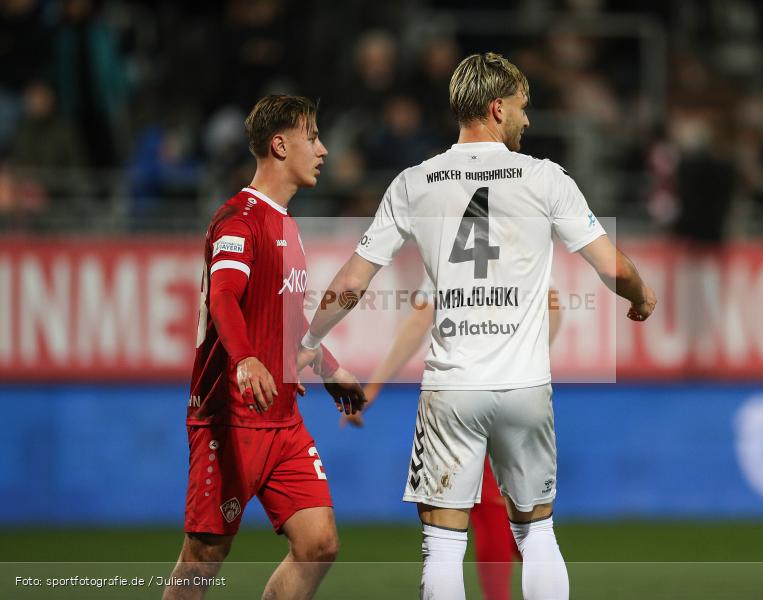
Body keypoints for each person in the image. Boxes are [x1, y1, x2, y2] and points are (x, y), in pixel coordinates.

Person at [297, 53, 656, 599]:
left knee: (443, 546)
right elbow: (611, 267)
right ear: (496, 109)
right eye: (521, 108)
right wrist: (642, 294)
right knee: (536, 533)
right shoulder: (544, 177)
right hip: (525, 387)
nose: (527, 121)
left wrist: (311, 339)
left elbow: (353, 279)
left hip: (452, 387)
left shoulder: (416, 182)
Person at [163, 94, 366, 600]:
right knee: (206, 553)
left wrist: (330, 368)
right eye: (312, 137)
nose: (322, 149)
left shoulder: (287, 226)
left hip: (283, 419)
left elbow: (288, 320)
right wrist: (246, 357)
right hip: (229, 416)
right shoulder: (238, 219)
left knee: (318, 544)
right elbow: (225, 297)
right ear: (279, 145)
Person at [343, 283, 561, 600]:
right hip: (520, 394)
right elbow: (553, 306)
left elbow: (420, 321)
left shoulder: (448, 249)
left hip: (463, 396)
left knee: (471, 519)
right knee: (528, 522)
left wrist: (373, 388)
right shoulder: (524, 244)